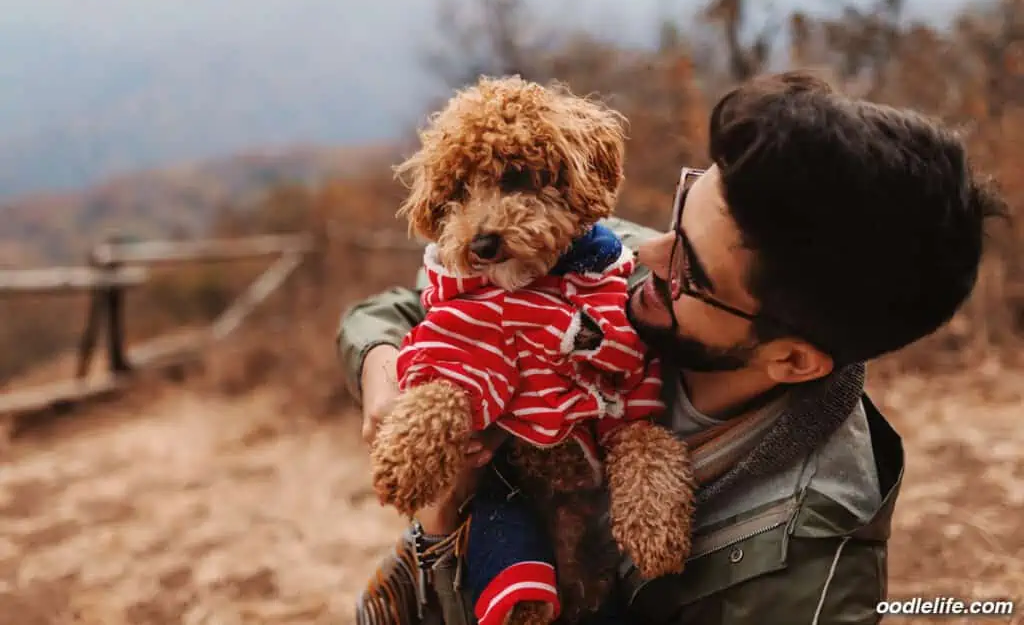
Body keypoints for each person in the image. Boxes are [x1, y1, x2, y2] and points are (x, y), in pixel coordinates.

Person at [336, 70, 1008, 625]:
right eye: (683, 203)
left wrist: (444, 522)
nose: (645, 252)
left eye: (688, 265)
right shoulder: (615, 266)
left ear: (794, 359)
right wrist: (381, 367)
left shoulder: (806, 577)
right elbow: (403, 306)